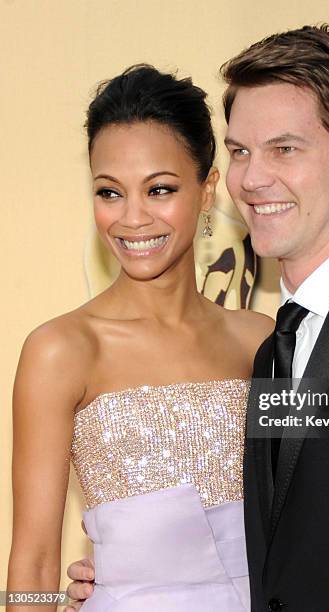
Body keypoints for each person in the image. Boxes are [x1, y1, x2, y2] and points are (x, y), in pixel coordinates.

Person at [66, 25, 329, 612]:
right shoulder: (274, 348)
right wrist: (135, 575)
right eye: (240, 151)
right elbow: (297, 536)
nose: (252, 178)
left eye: (284, 148)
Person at [7, 64, 273, 612]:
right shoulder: (62, 349)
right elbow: (32, 561)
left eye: (159, 189)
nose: (132, 218)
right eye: (109, 192)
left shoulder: (261, 340)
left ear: (207, 191)